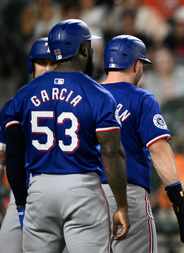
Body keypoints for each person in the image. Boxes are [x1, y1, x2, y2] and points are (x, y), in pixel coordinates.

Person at [1, 19, 129, 253]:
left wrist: (21, 201)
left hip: (39, 187)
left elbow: (13, 155)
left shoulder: (23, 95)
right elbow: (112, 152)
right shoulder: (98, 93)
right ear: (83, 49)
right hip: (82, 187)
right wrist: (122, 204)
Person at [101, 35, 184, 253]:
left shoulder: (86, 96)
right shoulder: (141, 98)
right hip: (127, 193)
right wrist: (176, 194)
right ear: (135, 63)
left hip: (83, 194)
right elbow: (158, 149)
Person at [0, 37, 56, 253]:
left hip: (65, 187)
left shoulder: (73, 100)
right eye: (42, 62)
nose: (48, 68)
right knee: (7, 245)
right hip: (24, 190)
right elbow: (3, 157)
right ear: (31, 65)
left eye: (53, 63)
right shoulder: (15, 103)